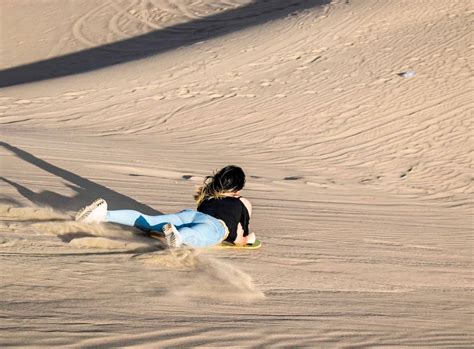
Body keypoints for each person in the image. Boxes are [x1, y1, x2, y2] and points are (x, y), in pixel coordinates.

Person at [75, 165, 256, 248]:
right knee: (198, 232)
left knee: (149, 221)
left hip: (189, 215)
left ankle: (103, 214)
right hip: (215, 226)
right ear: (239, 187)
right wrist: (248, 240)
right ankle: (178, 236)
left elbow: (203, 214)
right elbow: (241, 236)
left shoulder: (207, 198)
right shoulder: (243, 203)